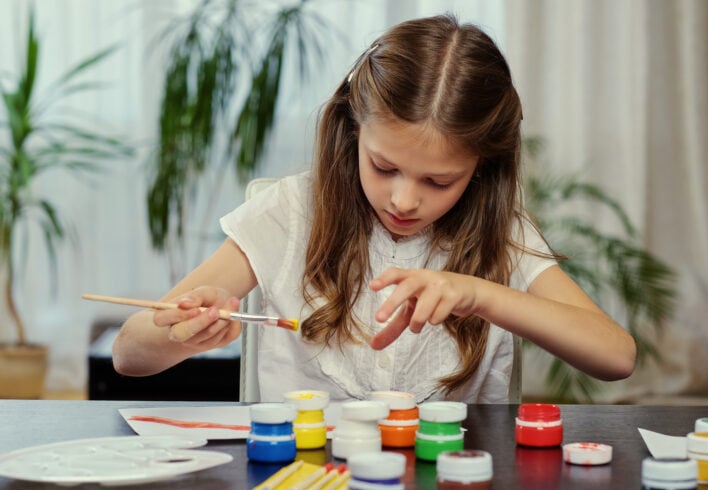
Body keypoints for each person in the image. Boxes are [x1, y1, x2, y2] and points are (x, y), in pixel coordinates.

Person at [113, 14, 636, 403]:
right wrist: (181, 332)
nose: (404, 200)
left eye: (439, 181)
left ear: (483, 167)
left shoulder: (501, 234)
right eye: (384, 167)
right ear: (353, 130)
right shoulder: (289, 213)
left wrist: (479, 294)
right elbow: (128, 356)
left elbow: (616, 357)